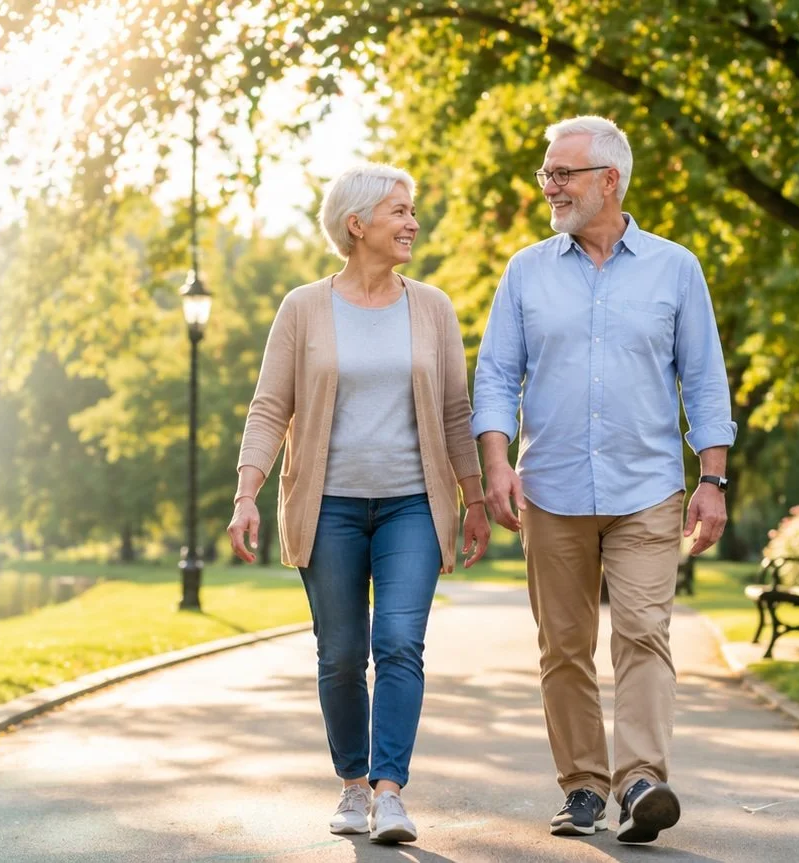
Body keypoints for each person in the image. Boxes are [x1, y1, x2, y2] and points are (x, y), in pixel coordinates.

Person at [471, 116, 737, 845]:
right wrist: (495, 464)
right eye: (546, 175)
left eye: (562, 173)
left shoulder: (674, 267)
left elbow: (704, 379)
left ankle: (641, 779)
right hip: (550, 488)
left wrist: (712, 478)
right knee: (562, 643)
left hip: (647, 487)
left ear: (608, 181)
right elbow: (494, 373)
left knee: (644, 633)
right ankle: (584, 785)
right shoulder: (526, 269)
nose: (549, 186)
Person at [227, 162, 489, 844]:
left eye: (411, 210)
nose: (412, 222)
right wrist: (245, 492)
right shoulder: (303, 307)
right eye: (399, 211)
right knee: (340, 652)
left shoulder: (430, 306)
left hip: (412, 503)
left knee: (398, 642)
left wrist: (476, 499)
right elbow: (268, 407)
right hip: (329, 505)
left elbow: (456, 412)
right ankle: (350, 783)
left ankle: (389, 791)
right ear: (356, 224)